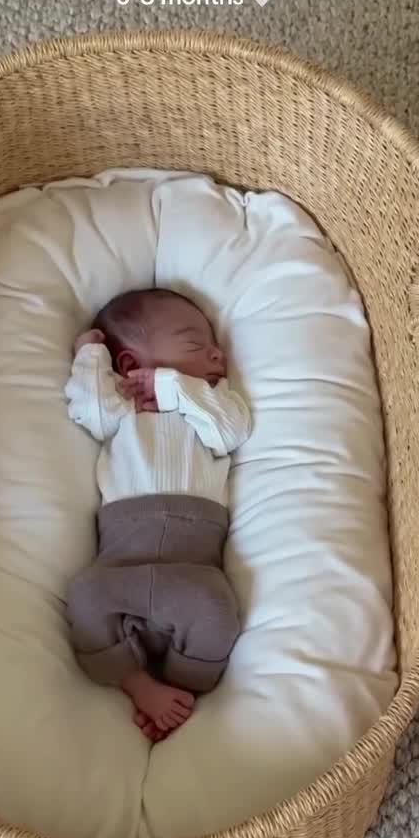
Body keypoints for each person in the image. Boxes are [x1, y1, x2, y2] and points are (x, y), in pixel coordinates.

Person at [65, 288, 251, 741]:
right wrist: (90, 354)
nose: (216, 352)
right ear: (130, 364)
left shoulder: (212, 402)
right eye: (194, 343)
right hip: (121, 562)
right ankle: (136, 682)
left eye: (213, 344)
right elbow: (88, 409)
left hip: (192, 571)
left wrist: (174, 386)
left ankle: (181, 686)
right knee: (84, 596)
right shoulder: (121, 405)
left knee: (217, 609)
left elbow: (231, 432)